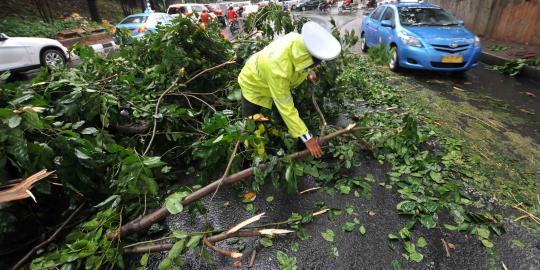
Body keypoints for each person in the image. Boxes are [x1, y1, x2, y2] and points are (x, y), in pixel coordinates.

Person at [238, 22, 342, 158]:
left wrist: (308, 73)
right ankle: (245, 156)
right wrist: (307, 138)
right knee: (250, 125)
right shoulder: (278, 69)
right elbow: (286, 107)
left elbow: (300, 62)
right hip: (253, 85)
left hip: (270, 78)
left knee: (286, 115)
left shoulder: (299, 42)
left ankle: (292, 138)